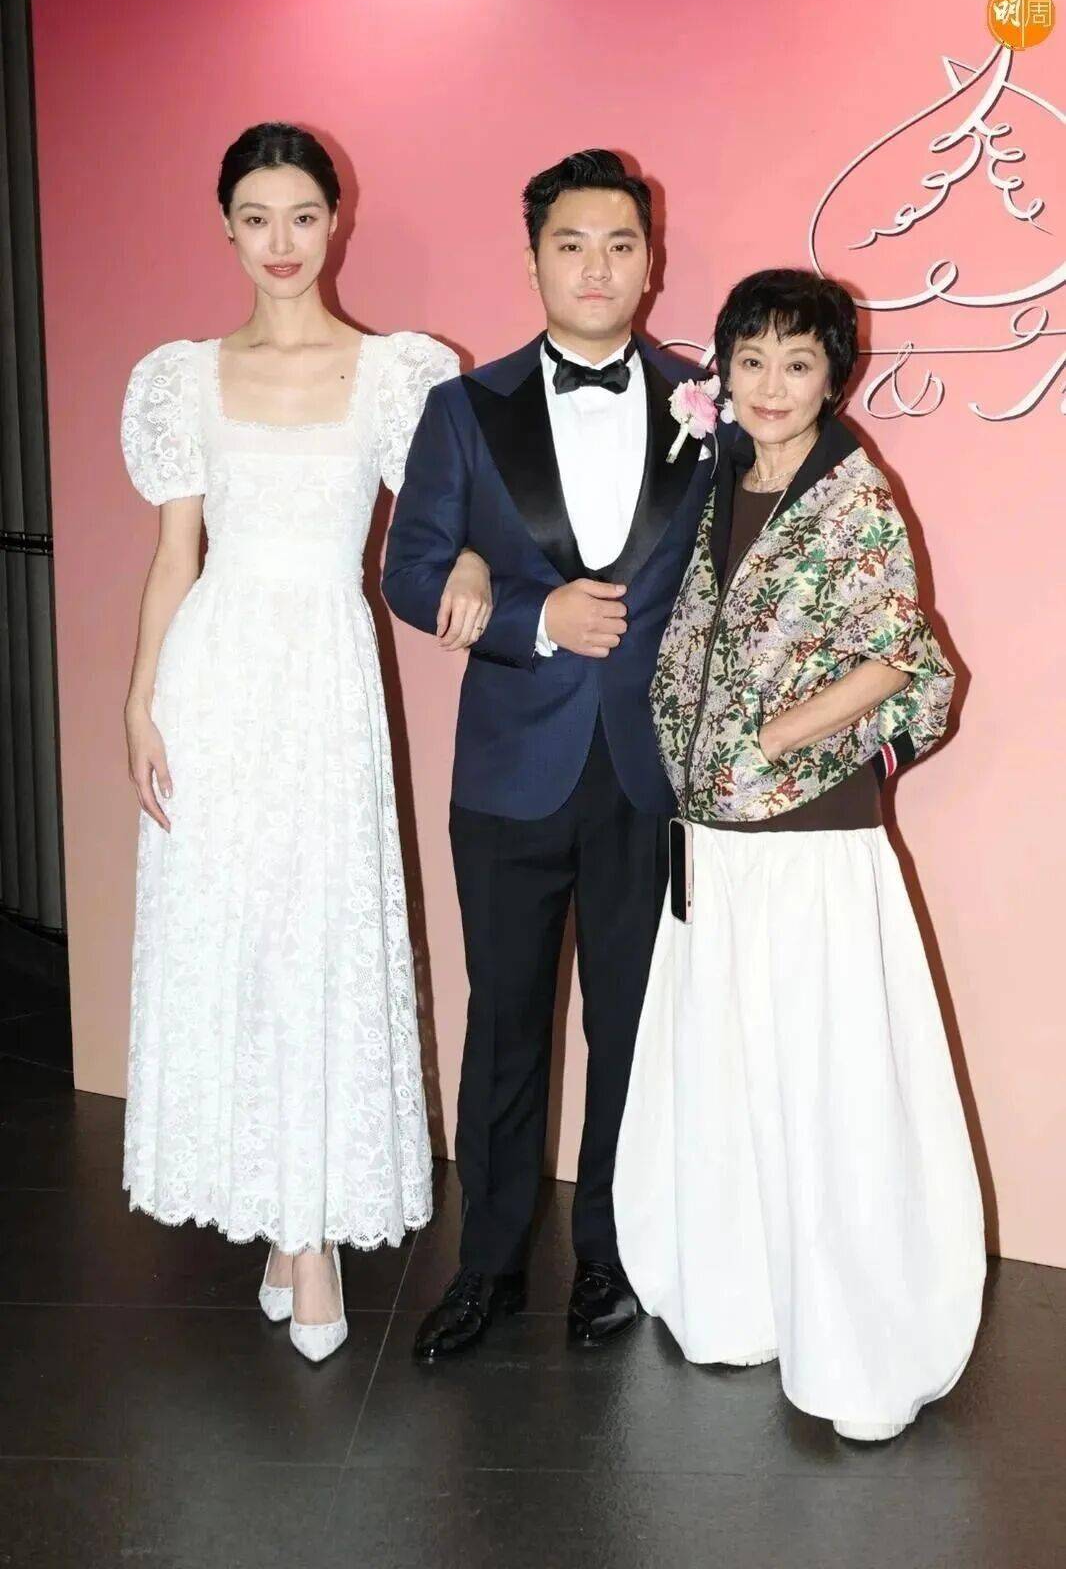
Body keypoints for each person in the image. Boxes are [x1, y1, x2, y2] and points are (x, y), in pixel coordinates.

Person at [613, 268, 986, 1440]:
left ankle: (854, 1334)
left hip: (809, 837)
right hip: (714, 838)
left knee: (824, 1083)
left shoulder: (852, 495)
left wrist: (775, 736)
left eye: (798, 362)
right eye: (752, 360)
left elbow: (900, 655)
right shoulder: (720, 480)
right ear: (724, 370)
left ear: (834, 377)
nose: (771, 384)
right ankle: (740, 1298)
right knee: (732, 1072)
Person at [120, 122, 470, 1362]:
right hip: (214, 676)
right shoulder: (182, 378)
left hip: (325, 674)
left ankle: (309, 1232)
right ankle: (282, 1213)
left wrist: (476, 567)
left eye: (303, 215)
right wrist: (139, 701)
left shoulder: (397, 375)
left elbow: (444, 525)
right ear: (226, 228)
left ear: (337, 221)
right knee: (238, 935)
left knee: (320, 932)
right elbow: (176, 557)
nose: (282, 241)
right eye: (257, 217)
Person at [384, 149, 733, 1360]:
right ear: (532, 259)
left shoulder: (708, 406)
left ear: (651, 262)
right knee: (506, 1025)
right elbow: (410, 569)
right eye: (571, 243)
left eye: (620, 244)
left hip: (644, 774)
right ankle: (486, 1266)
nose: (597, 266)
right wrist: (532, 615)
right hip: (508, 774)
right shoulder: (463, 409)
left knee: (631, 1026)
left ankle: (610, 1258)